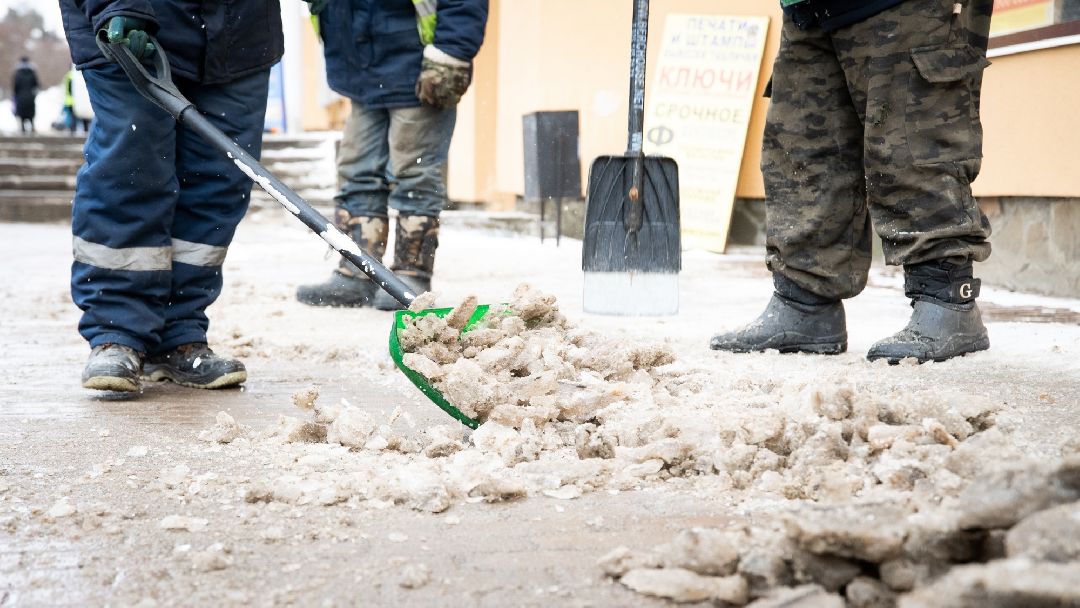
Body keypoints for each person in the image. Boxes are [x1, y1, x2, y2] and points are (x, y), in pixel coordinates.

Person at [710, 0, 994, 364]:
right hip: (807, 11)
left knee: (909, 145)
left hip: (901, 7)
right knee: (804, 153)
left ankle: (947, 301)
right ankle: (804, 302)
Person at [59, 0, 284, 391]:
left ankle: (180, 332)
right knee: (131, 171)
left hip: (241, 30)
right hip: (133, 24)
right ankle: (118, 330)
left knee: (219, 181)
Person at [296, 0, 489, 310]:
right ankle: (358, 271)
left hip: (419, 69)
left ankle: (411, 273)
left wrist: (452, 50)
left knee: (414, 173)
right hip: (361, 67)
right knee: (357, 172)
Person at [12, 56, 39, 134]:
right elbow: (36, 84)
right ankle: (32, 127)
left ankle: (23, 128)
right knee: (30, 112)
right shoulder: (32, 73)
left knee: (22, 112)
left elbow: (15, 86)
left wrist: (15, 95)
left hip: (20, 96)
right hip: (30, 96)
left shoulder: (18, 73)